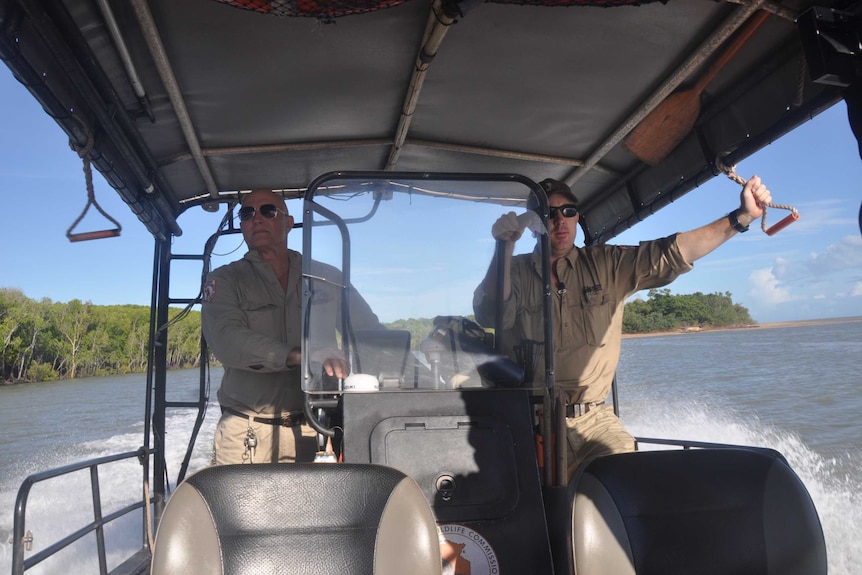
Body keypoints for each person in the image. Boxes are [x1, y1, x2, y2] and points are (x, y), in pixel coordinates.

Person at [473, 176, 772, 477]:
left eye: (568, 212)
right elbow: (491, 313)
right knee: (529, 503)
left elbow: (672, 252)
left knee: (630, 483)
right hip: (528, 423)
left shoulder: (607, 265)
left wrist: (741, 217)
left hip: (594, 419)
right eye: (548, 214)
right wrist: (504, 248)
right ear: (534, 223)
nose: (559, 221)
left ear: (577, 217)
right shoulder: (513, 270)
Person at [202, 189, 381, 465]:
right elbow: (227, 340)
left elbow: (370, 333)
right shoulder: (225, 280)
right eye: (247, 213)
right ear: (242, 226)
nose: (256, 218)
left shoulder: (327, 277)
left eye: (268, 211)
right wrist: (303, 355)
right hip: (246, 434)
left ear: (288, 222)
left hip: (318, 429)